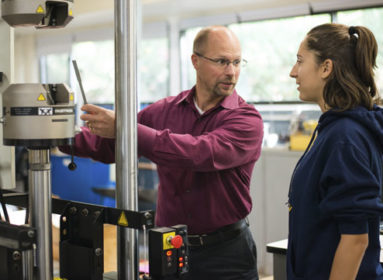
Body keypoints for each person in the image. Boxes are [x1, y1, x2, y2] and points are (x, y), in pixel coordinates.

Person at [60, 25, 263, 279]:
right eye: (222, 61)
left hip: (225, 254)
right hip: (169, 247)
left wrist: (125, 128)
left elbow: (199, 153)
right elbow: (109, 146)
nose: (231, 72)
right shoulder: (163, 111)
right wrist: (56, 135)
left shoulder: (247, 120)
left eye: (236, 62)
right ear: (195, 61)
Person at [287, 23, 383, 280]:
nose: (292, 72)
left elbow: (355, 240)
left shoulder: (344, 137)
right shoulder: (335, 129)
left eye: (300, 61)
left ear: (326, 68)